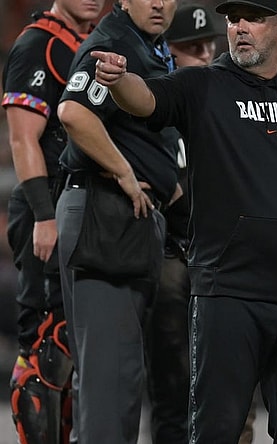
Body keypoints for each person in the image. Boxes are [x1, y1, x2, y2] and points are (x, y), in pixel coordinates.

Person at [91, 0, 277, 441]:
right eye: (234, 18)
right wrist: (119, 80)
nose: (240, 27)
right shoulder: (202, 86)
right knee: (216, 432)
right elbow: (146, 101)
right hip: (228, 295)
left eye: (254, 18)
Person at [54, 0, 178, 441]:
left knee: (121, 378)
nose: (160, 3)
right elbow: (74, 112)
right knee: (110, 382)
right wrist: (126, 172)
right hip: (104, 214)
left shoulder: (153, 48)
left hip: (130, 222)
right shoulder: (115, 42)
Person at [2, 0, 104, 442]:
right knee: (47, 345)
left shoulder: (97, 44)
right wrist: (44, 215)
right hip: (47, 208)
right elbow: (22, 137)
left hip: (84, 208)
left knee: (75, 349)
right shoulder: (38, 45)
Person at [143, 4, 226, 444]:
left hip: (220, 263)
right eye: (192, 47)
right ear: (167, 52)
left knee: (231, 400)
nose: (206, 54)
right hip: (174, 255)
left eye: (210, 45)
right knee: (174, 395)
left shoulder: (227, 109)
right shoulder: (155, 106)